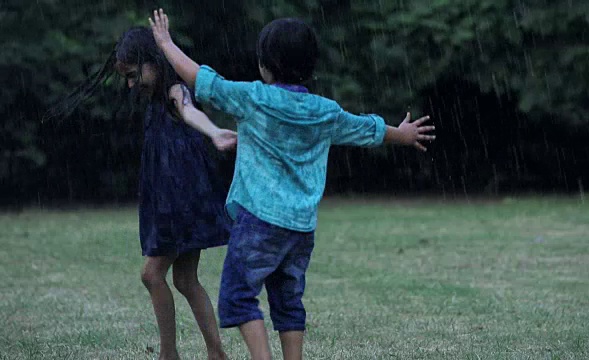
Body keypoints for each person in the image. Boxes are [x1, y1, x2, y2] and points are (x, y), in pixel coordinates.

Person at [150, 9, 435, 360]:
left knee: (238, 297)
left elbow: (201, 79)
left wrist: (165, 43)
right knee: (287, 301)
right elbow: (367, 129)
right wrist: (403, 134)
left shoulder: (253, 98)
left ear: (264, 66)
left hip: (259, 221)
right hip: (300, 228)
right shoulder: (324, 110)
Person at [51, 26, 233, 360]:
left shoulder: (174, 89)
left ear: (153, 62)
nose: (131, 84)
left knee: (152, 274)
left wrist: (215, 131)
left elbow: (190, 110)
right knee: (185, 279)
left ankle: (169, 355)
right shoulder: (154, 98)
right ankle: (215, 353)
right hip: (173, 195)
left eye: (134, 75)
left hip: (181, 196)